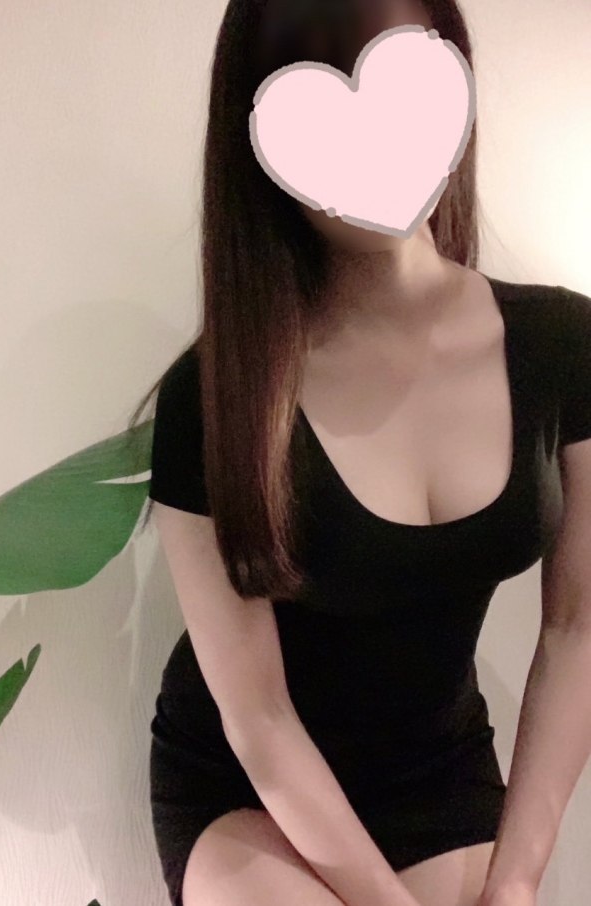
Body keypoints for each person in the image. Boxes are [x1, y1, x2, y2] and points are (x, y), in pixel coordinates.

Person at [131, 1, 591, 904]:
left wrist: (519, 881)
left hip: (437, 771)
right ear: (257, 141)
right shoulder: (212, 397)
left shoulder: (563, 344)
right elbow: (259, 718)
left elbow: (578, 626)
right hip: (251, 792)